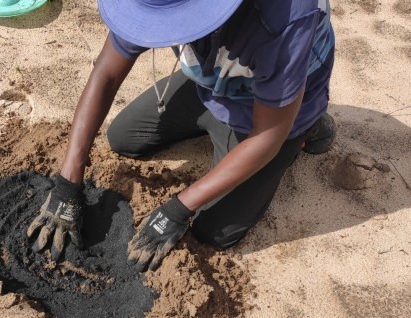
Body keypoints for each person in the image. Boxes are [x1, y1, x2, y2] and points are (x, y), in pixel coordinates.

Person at [26, 0, 336, 271]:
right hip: (212, 81)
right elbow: (106, 73)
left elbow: (268, 136)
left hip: (273, 112)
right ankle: (214, 102)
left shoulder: (285, 16)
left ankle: (310, 128)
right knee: (122, 137)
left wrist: (177, 209)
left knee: (213, 232)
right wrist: (68, 182)